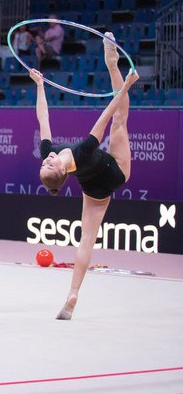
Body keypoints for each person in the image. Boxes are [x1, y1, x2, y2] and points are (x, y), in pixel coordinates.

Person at [31, 32, 138, 320]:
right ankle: (111, 64)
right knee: (120, 118)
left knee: (86, 239)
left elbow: (43, 118)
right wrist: (126, 86)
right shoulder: (82, 149)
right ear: (61, 170)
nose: (48, 159)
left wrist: (40, 85)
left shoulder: (50, 152)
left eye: (45, 163)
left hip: (93, 187)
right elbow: (106, 115)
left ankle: (72, 294)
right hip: (116, 170)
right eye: (50, 165)